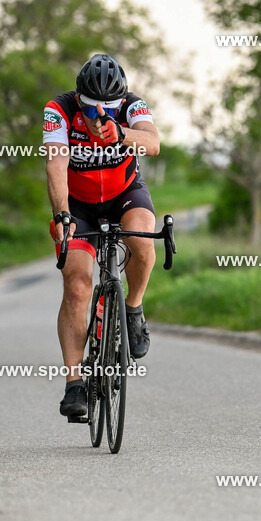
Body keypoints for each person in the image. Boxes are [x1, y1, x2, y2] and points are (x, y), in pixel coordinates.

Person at [42, 54, 160, 421]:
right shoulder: (58, 109)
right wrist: (62, 213)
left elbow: (153, 143)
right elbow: (56, 163)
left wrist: (122, 133)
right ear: (79, 99)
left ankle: (133, 308)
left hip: (125, 193)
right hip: (78, 204)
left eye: (108, 108)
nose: (99, 116)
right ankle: (74, 382)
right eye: (92, 108)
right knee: (77, 285)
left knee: (142, 241)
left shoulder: (130, 106)